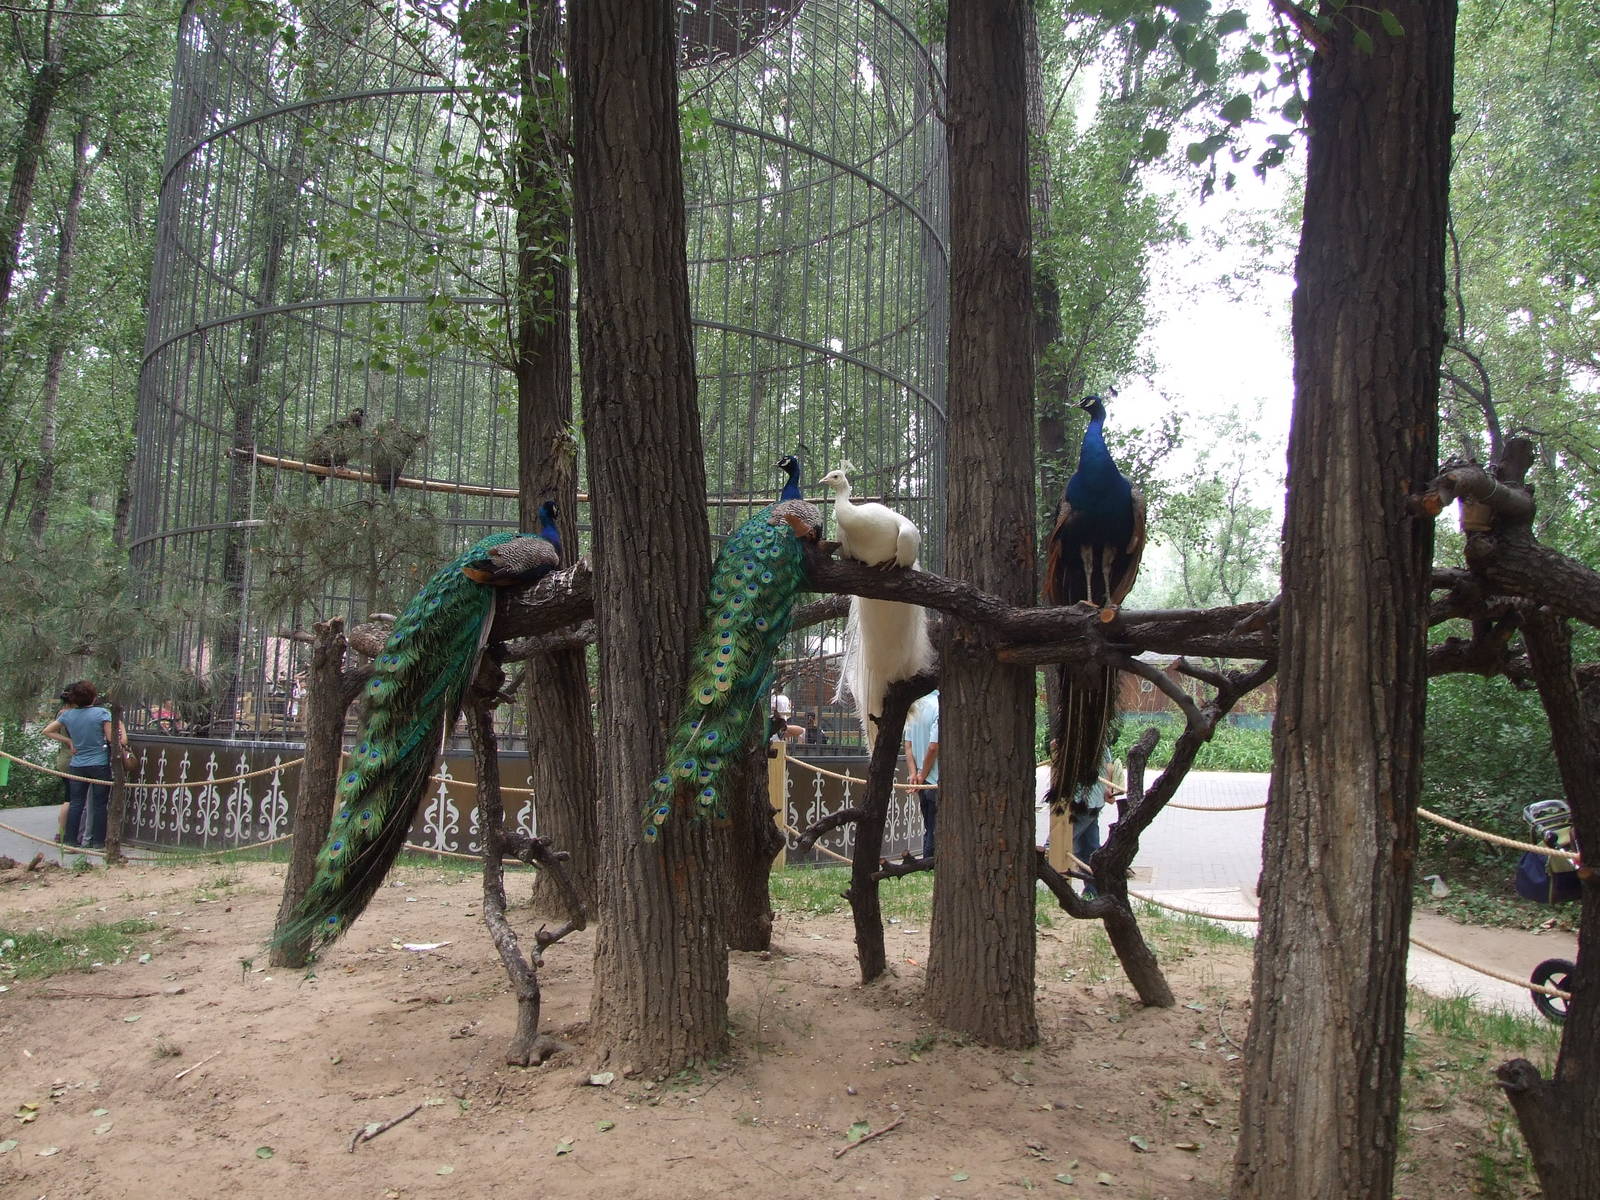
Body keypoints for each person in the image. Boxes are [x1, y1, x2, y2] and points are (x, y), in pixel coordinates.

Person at [42, 680, 128, 850]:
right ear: (93, 697)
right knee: (99, 804)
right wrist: (123, 734)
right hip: (99, 763)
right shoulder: (102, 713)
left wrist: (69, 741)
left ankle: (70, 842)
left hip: (77, 764)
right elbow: (112, 739)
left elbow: (47, 730)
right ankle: (98, 843)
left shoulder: (67, 715)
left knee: (76, 803)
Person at [903, 691, 939, 858]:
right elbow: (933, 747)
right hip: (934, 779)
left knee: (929, 825)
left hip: (920, 780)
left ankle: (927, 862)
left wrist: (914, 774)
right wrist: (922, 775)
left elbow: (908, 745)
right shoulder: (939, 706)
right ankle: (929, 863)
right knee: (934, 828)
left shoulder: (915, 706)